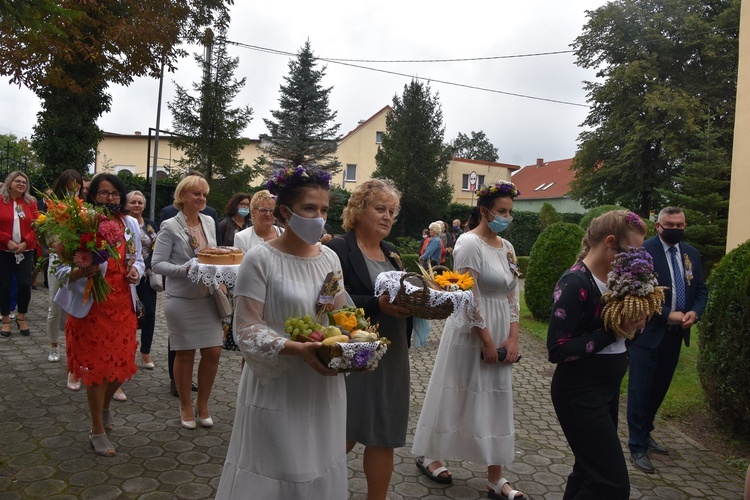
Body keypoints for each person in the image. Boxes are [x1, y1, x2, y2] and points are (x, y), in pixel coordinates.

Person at [216, 165, 348, 499]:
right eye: (309, 209)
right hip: (277, 382)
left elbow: (341, 313)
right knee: (278, 468)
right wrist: (295, 348)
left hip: (322, 382)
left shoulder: (330, 258)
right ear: (285, 212)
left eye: (324, 210)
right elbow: (244, 327)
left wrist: (355, 344)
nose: (319, 217)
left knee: (317, 465)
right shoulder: (260, 259)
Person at [412, 181, 525, 500]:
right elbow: (467, 295)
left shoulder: (507, 248)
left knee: (497, 399)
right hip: (470, 329)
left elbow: (513, 293)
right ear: (484, 211)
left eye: (510, 212)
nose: (506, 217)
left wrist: (513, 336)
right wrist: (487, 340)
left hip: (502, 325)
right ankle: (432, 454)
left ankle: (495, 476)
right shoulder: (467, 244)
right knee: (455, 390)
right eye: (501, 211)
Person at [547, 209, 648, 499]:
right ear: (610, 242)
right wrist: (614, 332)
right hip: (580, 392)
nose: (636, 261)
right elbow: (558, 348)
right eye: (632, 253)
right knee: (611, 484)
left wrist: (635, 326)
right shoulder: (576, 282)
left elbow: (621, 339)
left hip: (606, 390)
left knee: (588, 471)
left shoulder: (618, 281)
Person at [326, 179, 412, 500]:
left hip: (393, 354)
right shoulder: (336, 249)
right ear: (359, 209)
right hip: (355, 353)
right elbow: (327, 299)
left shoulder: (393, 254)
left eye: (392, 211)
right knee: (343, 432)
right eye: (380, 208)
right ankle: (316, 489)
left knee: (383, 435)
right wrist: (376, 304)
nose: (387, 216)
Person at [55, 173, 144, 456]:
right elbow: (59, 270)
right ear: (93, 195)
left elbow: (139, 258)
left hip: (122, 307)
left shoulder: (129, 224)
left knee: (120, 367)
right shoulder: (79, 222)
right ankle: (96, 429)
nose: (110, 198)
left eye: (115, 193)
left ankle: (105, 408)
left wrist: (136, 271)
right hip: (91, 309)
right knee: (95, 372)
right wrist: (82, 270)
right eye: (104, 193)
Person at [627, 206, 708, 474]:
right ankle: (636, 445)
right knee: (639, 390)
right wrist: (666, 315)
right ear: (658, 226)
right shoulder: (644, 252)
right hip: (647, 334)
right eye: (670, 225)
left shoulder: (691, 254)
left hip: (675, 337)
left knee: (659, 389)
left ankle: (647, 432)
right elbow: (636, 293)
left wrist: (694, 312)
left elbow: (701, 290)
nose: (676, 229)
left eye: (680, 225)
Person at [152, 175, 223, 429]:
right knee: (185, 353)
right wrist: (187, 269)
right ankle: (184, 405)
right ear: (183, 196)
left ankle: (202, 403)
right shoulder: (169, 225)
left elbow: (211, 255)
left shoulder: (209, 221)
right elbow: (157, 264)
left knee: (213, 352)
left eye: (204, 194)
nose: (202, 199)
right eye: (196, 194)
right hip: (181, 299)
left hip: (208, 297)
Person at [44, 170, 83, 394]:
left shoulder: (81, 206)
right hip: (58, 258)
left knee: (74, 307)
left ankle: (72, 350)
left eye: (77, 185)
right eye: (70, 185)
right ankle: (53, 345)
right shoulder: (52, 207)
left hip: (76, 258)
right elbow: (49, 236)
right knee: (54, 305)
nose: (73, 188)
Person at [1, 171, 38, 338]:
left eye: (24, 182)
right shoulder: (1, 201)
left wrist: (26, 242)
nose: (21, 184)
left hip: (25, 251)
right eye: (18, 181)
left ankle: (21, 317)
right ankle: (6, 319)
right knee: (4, 286)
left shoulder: (30, 203)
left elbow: (38, 226)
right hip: (3, 250)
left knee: (24, 284)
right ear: (10, 183)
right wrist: (6, 240)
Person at [126, 191, 159, 369]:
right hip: (127, 275)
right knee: (130, 313)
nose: (136, 205)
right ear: (126, 204)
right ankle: (128, 350)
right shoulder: (123, 223)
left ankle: (145, 351)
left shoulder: (150, 224)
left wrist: (144, 264)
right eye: (133, 202)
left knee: (151, 313)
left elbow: (157, 246)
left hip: (146, 275)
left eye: (139, 202)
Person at [233, 189, 283, 254]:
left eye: (271, 210)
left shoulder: (284, 234)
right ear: (253, 212)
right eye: (263, 210)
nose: (268, 214)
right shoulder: (242, 238)